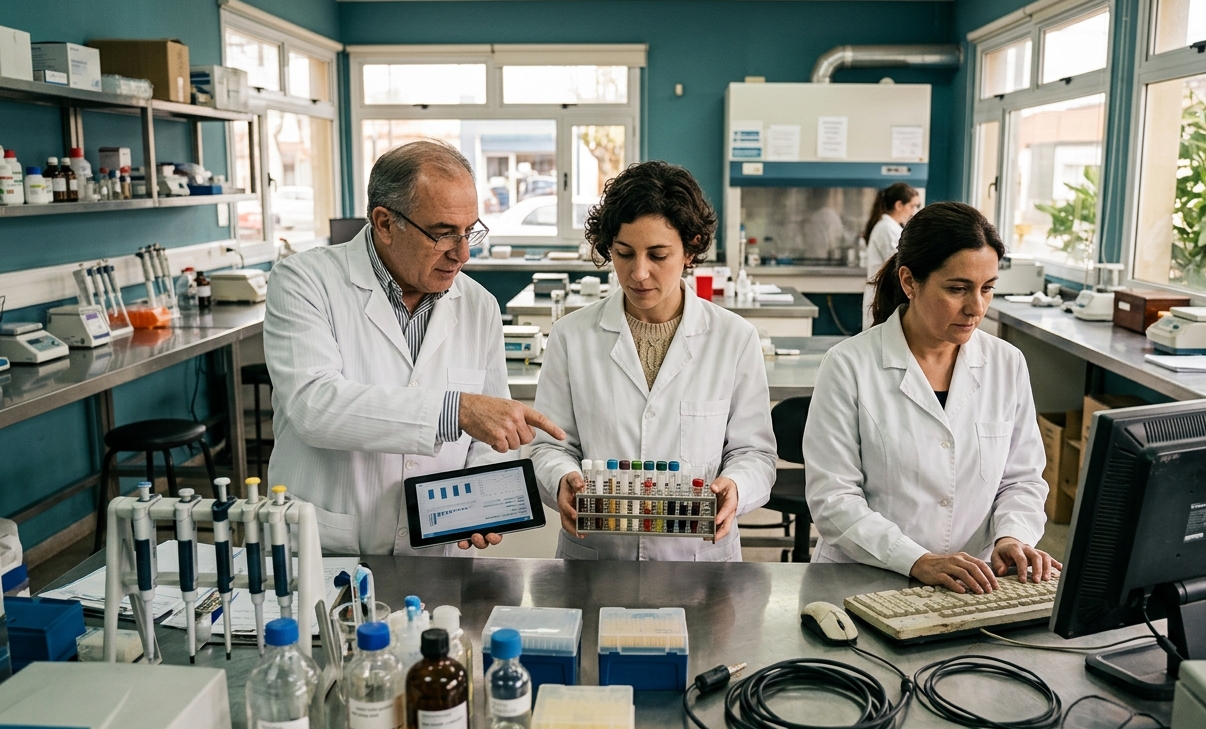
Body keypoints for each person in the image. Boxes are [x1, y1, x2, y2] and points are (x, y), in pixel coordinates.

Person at [264, 139, 565, 556]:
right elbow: (313, 407)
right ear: (385, 223)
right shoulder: (304, 281)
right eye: (442, 235)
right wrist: (454, 410)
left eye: (469, 232)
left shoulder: (478, 306)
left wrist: (480, 504)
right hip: (327, 545)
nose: (462, 254)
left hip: (431, 552)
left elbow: (488, 438)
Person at [803, 202, 1057, 593]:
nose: (976, 308)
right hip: (864, 580)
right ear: (909, 282)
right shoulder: (849, 365)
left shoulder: (1006, 363)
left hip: (975, 585)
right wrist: (917, 560)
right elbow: (833, 499)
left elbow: (1021, 479)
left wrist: (1012, 536)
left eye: (987, 289)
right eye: (958, 289)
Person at [530, 161, 777, 561]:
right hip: (598, 558)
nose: (638, 272)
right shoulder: (571, 336)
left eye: (658, 254)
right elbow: (549, 447)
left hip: (697, 557)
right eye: (624, 253)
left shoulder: (733, 338)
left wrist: (736, 486)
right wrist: (561, 479)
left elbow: (755, 454)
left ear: (691, 249)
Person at [861, 183, 921, 329]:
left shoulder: (890, 227)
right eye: (912, 206)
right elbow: (899, 263)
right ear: (899, 205)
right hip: (884, 296)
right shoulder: (887, 229)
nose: (913, 211)